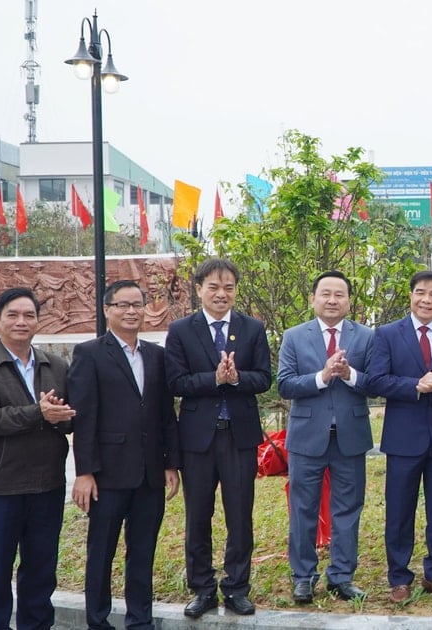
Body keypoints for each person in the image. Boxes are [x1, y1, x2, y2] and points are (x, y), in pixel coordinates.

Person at [68, 280, 181, 629]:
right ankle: (98, 621)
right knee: (100, 552)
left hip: (149, 473)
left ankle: (139, 620)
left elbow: (165, 414)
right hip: (108, 474)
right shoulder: (89, 353)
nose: (131, 311)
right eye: (123, 305)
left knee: (143, 551)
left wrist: (170, 463)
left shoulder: (156, 355)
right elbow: (84, 416)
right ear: (107, 310)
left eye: (137, 304)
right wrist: (84, 472)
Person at [0, 287, 75, 630]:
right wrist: (38, 413)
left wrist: (62, 416)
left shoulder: (55, 365)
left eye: (29, 315)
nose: (21, 321)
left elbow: (70, 418)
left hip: (47, 485)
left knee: (41, 570)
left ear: (39, 321)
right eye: (12, 314)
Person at [165, 258, 272, 618]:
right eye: (213, 286)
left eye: (228, 287)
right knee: (198, 516)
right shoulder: (181, 330)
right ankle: (202, 588)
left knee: (240, 515)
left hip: (238, 437)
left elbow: (264, 379)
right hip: (197, 440)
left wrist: (237, 377)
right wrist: (214, 379)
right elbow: (176, 383)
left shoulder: (252, 328)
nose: (221, 294)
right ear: (198, 290)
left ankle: (237, 587)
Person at [366, 270, 432, 604]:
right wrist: (416, 385)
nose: (426, 299)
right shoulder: (387, 334)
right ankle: (399, 578)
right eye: (420, 292)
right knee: (399, 510)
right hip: (403, 437)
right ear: (410, 296)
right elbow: (376, 381)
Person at [277, 271, 374, 603]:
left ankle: (342, 577)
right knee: (303, 508)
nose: (333, 300)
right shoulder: (294, 336)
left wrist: (350, 375)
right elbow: (285, 384)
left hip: (350, 435)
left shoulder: (365, 336)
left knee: (348, 508)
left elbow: (375, 383)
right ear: (313, 298)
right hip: (307, 437)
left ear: (349, 300)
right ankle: (303, 576)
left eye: (340, 295)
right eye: (326, 294)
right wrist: (322, 376)